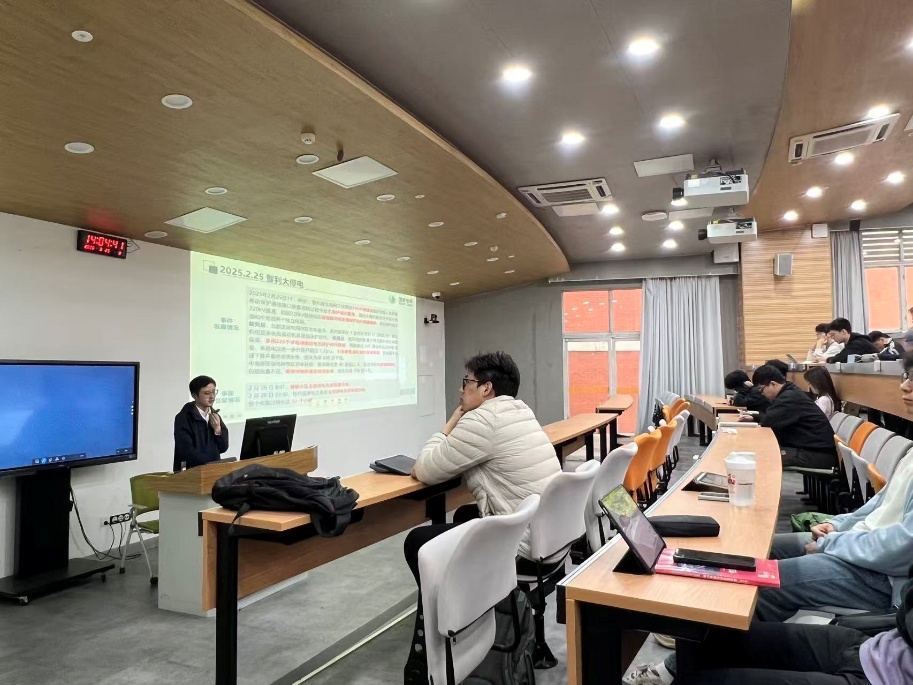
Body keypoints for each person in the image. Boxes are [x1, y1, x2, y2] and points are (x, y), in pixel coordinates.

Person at [625, 352, 913, 685]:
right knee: (757, 549)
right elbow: (880, 504)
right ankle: (694, 628)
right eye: (905, 377)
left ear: (774, 384)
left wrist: (833, 543)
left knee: (760, 587)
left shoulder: (790, 398)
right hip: (857, 549)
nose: (904, 386)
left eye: (912, 379)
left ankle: (688, 650)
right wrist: (838, 526)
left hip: (878, 574)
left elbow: (901, 546)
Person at [402, 352, 559, 682]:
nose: (461, 390)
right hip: (548, 537)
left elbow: (425, 469)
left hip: (522, 544)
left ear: (486, 388)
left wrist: (450, 423)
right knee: (464, 514)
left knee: (418, 541)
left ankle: (457, 617)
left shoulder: (482, 421)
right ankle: (473, 608)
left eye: (467, 382)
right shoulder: (520, 411)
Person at [753, 364, 837, 469]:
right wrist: (756, 417)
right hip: (814, 450)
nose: (762, 394)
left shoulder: (789, 397)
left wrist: (757, 418)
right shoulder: (790, 392)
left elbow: (767, 422)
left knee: (764, 457)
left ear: (773, 384)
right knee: (765, 452)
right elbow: (772, 417)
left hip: (818, 455)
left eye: (761, 390)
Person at [173, 375, 229, 472]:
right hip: (191, 472)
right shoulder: (183, 418)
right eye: (207, 393)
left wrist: (218, 431)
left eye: (214, 392)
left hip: (213, 470)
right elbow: (186, 451)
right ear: (194, 395)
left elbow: (223, 448)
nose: (212, 396)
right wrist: (209, 464)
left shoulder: (215, 415)